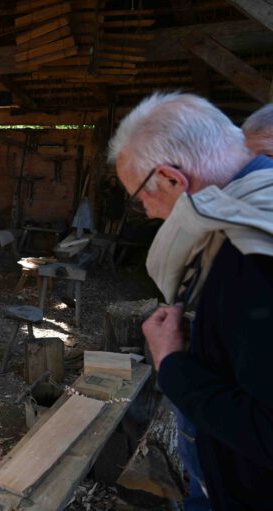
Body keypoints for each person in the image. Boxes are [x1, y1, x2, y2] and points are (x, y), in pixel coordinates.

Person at [108, 92, 273, 510]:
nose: (147, 212)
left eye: (140, 197)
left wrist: (171, 362)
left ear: (169, 178)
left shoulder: (252, 260)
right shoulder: (243, 209)